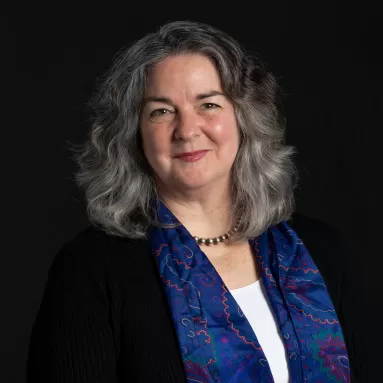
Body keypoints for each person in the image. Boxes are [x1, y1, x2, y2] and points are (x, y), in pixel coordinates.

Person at [26, 20, 356, 382]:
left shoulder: (322, 249)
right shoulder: (91, 269)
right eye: (161, 111)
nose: (186, 130)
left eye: (209, 105)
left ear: (244, 118)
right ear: (134, 134)